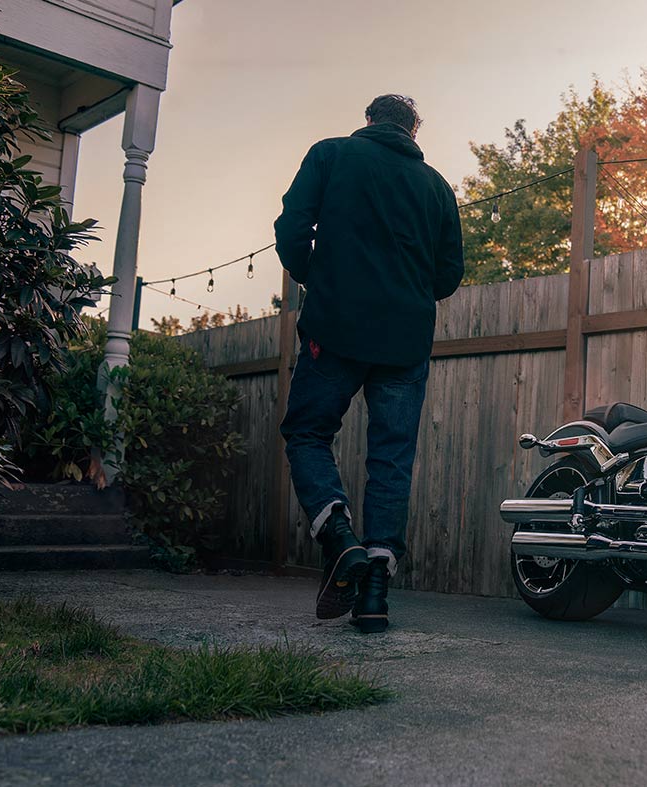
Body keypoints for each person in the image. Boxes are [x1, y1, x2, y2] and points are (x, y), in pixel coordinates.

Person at [274, 94, 463, 633]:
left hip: (334, 328)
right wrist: (407, 293)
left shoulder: (330, 155)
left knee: (307, 433)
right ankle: (374, 596)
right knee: (391, 459)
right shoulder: (437, 188)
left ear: (370, 120)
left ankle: (339, 537)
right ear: (413, 131)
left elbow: (291, 229)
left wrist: (318, 277)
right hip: (404, 342)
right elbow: (449, 274)